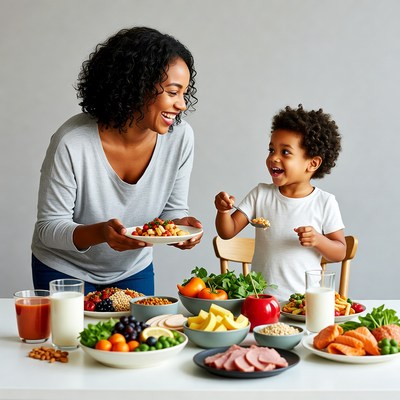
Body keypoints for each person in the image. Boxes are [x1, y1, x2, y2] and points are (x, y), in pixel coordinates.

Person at [31, 27, 203, 295]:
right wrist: (102, 234)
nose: (182, 104)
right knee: (74, 338)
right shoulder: (73, 141)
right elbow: (49, 228)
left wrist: (181, 227)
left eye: (184, 93)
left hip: (132, 269)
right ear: (136, 87)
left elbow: (172, 211)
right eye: (172, 92)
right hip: (65, 269)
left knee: (139, 338)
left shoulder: (180, 138)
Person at [214, 105, 346, 301]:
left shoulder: (324, 202)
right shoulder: (261, 194)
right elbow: (227, 232)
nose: (273, 158)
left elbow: (340, 251)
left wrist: (319, 240)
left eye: (285, 152)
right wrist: (223, 211)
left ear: (312, 163)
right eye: (271, 150)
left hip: (304, 302)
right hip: (260, 300)